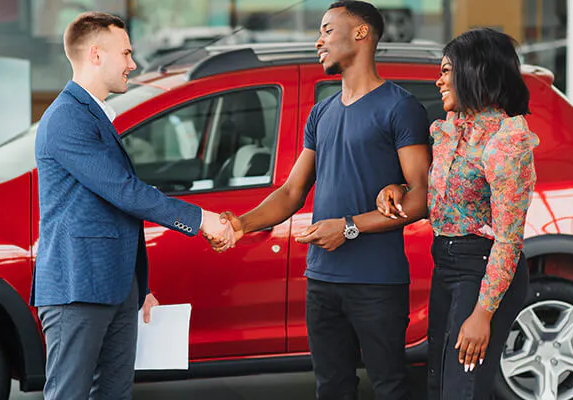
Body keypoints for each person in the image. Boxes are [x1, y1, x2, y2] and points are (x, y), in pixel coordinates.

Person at [206, 2, 431, 398]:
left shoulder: (400, 107)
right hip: (322, 281)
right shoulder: (322, 112)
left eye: (327, 30)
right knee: (331, 388)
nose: (318, 41)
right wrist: (241, 224)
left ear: (361, 33)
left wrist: (348, 228)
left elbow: (421, 197)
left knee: (390, 387)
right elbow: (291, 192)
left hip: (376, 282)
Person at [32, 12, 234, 400]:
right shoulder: (67, 118)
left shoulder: (93, 113)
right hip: (78, 288)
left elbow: (114, 208)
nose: (133, 64)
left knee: (114, 393)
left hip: (115, 287)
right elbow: (124, 192)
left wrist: (139, 287)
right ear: (96, 55)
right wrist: (201, 219)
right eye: (126, 53)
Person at [376, 28, 537, 399]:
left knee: (461, 390)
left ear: (474, 71)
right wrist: (398, 189)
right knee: (439, 384)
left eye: (446, 71)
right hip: (446, 264)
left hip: (482, 270)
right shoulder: (453, 130)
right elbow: (444, 198)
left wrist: (483, 314)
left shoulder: (506, 141)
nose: (439, 81)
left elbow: (508, 239)